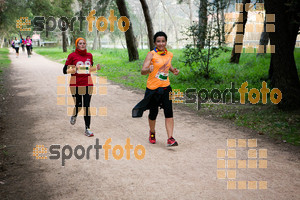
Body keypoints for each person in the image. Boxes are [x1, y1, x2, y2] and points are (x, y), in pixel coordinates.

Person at [132, 31, 180, 147]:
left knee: (169, 113)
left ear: (166, 42)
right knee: (153, 113)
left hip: (166, 88)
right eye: (158, 41)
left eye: (163, 41)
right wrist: (149, 69)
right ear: (154, 42)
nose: (161, 43)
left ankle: (170, 138)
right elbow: (143, 71)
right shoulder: (151, 54)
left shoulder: (169, 54)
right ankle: (152, 132)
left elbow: (167, 65)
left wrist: (173, 70)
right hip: (153, 89)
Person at [63, 37, 101, 137]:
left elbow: (88, 69)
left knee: (87, 106)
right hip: (75, 84)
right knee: (79, 105)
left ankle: (87, 128)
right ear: (77, 45)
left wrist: (95, 68)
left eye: (84, 43)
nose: (82, 45)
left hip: (88, 84)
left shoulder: (89, 55)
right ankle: (74, 114)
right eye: (80, 43)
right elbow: (64, 70)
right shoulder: (72, 56)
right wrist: (74, 68)